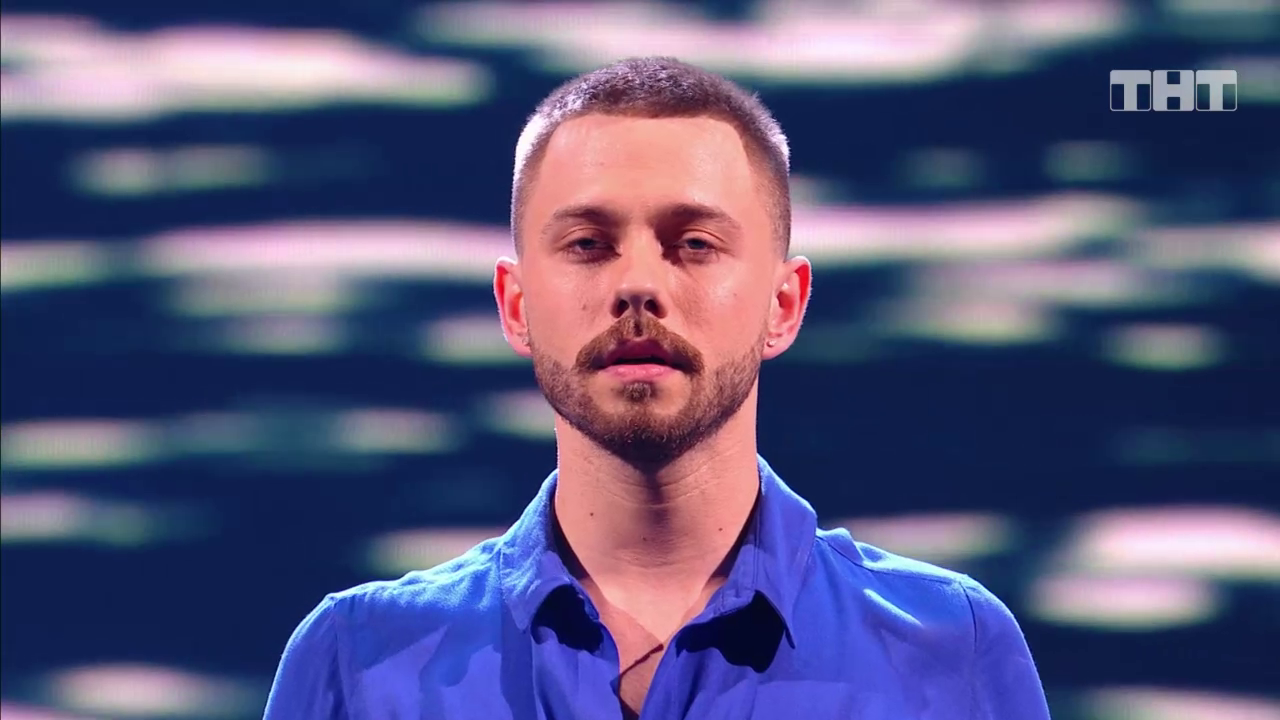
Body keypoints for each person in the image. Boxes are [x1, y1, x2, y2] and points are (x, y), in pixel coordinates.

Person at [263, 56, 1052, 720]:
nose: (638, 284)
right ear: (515, 306)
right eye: (588, 244)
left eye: (694, 244)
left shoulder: (949, 651)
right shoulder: (358, 665)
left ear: (784, 305)